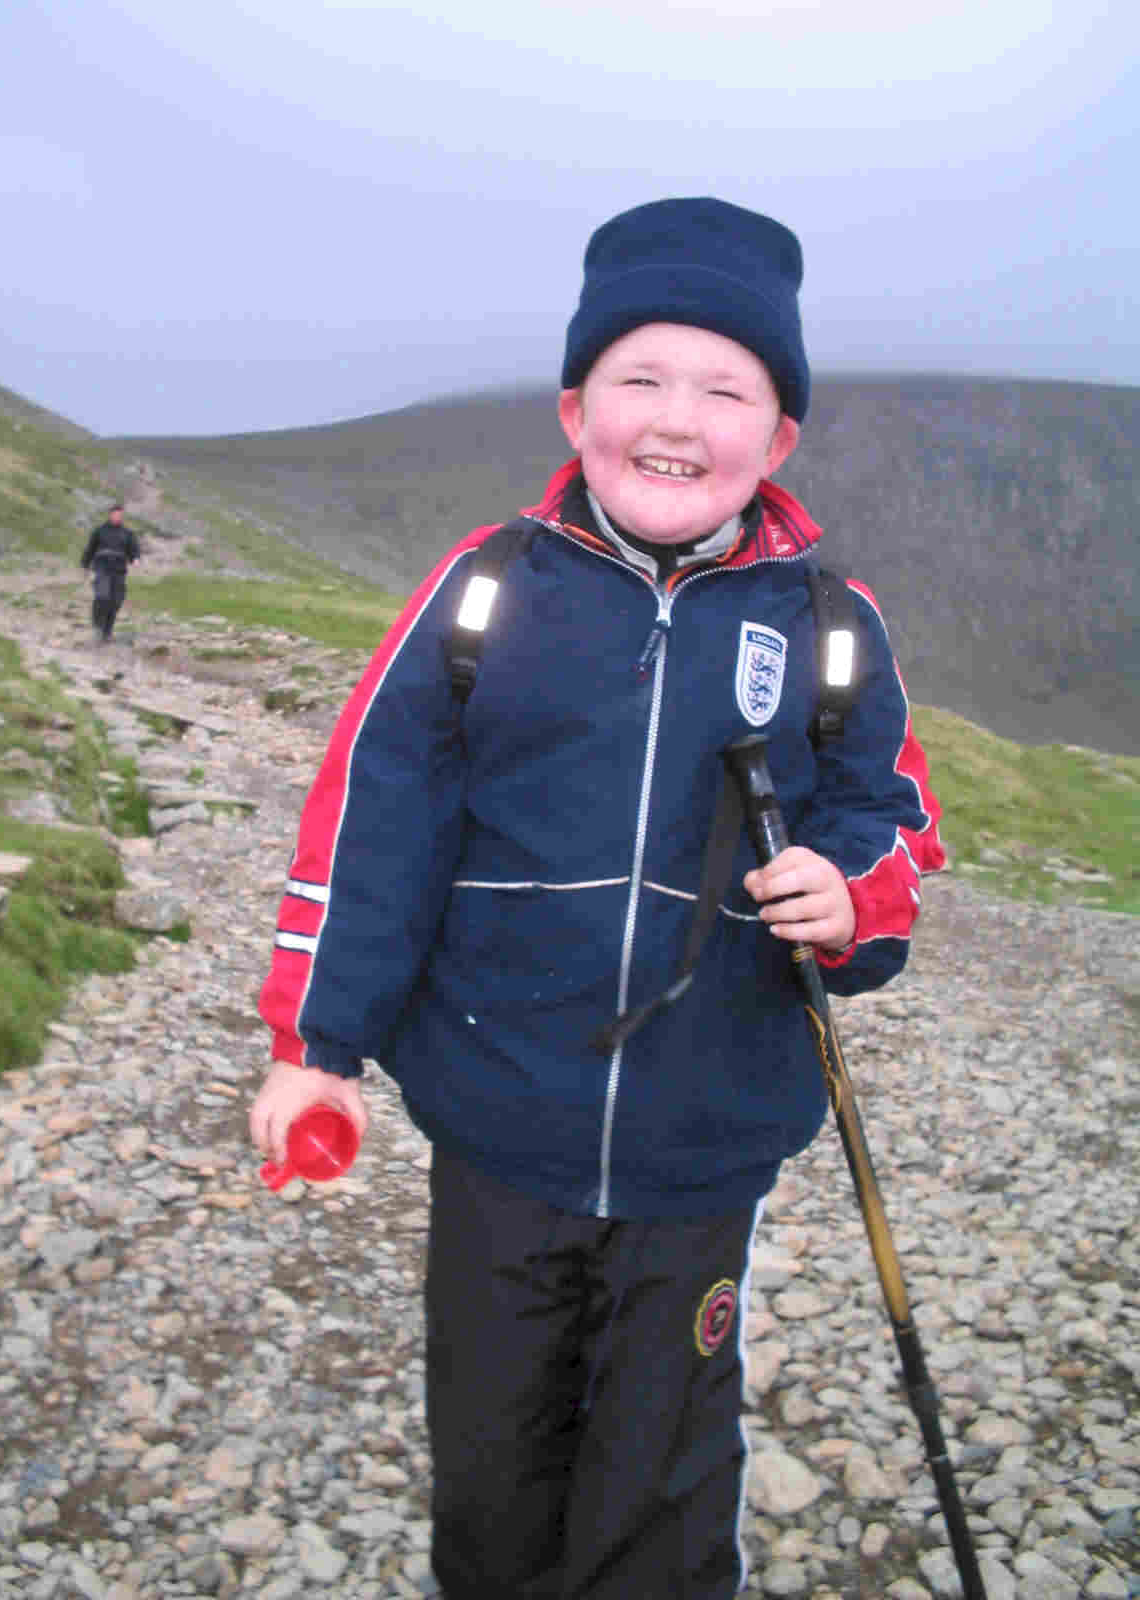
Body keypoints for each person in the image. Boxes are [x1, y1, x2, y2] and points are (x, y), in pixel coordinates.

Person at [250, 197, 945, 1599]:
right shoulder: (483, 596)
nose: (677, 416)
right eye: (640, 378)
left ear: (780, 435)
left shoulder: (828, 627)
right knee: (496, 1479)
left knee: (667, 1490)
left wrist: (852, 895)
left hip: (705, 1150)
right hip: (498, 1129)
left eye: (726, 388)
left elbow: (898, 824)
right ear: (576, 410)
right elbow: (366, 836)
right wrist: (313, 1050)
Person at [80, 503, 139, 642]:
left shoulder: (128, 534)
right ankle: (98, 626)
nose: (118, 516)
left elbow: (134, 550)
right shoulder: (99, 531)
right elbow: (90, 549)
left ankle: (107, 631)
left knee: (116, 601)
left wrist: (136, 559)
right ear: (110, 514)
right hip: (102, 568)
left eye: (120, 514)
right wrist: (85, 565)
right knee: (102, 596)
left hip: (119, 571)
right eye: (115, 513)